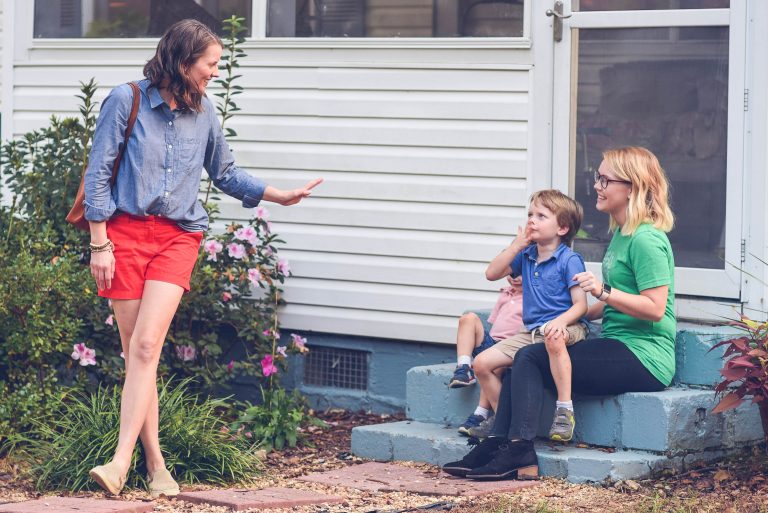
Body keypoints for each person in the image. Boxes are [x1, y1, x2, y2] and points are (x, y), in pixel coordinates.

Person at [84, 19, 322, 497]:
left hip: (177, 237)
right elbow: (98, 173)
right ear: (183, 59)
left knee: (147, 348)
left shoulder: (205, 112)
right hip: (125, 235)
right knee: (138, 356)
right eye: (210, 63)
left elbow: (226, 173)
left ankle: (119, 462)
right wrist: (99, 242)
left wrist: (279, 195)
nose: (216, 71)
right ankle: (156, 467)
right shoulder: (125, 100)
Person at [443, 146, 675, 481]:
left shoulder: (646, 240)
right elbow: (609, 302)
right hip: (617, 341)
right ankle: (497, 445)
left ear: (632, 187)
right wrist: (573, 314)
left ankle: (518, 451)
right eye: (598, 177)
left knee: (529, 358)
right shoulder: (622, 236)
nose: (597, 185)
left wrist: (602, 290)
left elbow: (654, 309)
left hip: (646, 356)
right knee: (521, 357)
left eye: (605, 179)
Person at [466, 189, 588, 441]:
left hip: (568, 326)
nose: (532, 220)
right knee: (481, 364)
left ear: (562, 228)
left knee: (554, 337)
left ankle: (565, 410)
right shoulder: (526, 255)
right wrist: (517, 245)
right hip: (530, 332)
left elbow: (580, 305)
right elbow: (492, 273)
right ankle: (503, 421)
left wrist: (561, 321)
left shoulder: (569, 260)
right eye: (530, 214)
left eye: (541, 216)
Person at [449, 275, 523, 436]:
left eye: (521, 273)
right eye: (511, 274)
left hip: (512, 348)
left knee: (490, 362)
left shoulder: (535, 296)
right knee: (468, 318)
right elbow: (496, 324)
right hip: (494, 342)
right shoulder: (506, 293)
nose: (515, 278)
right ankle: (464, 368)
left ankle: (480, 413)